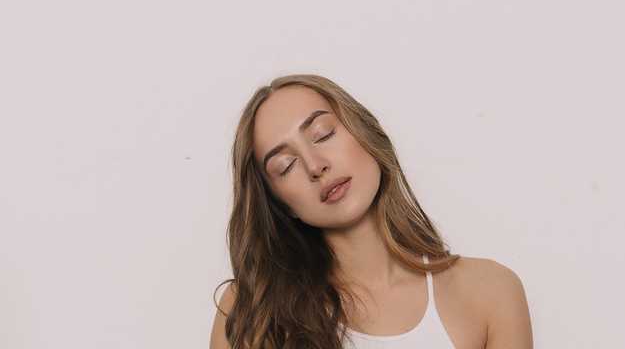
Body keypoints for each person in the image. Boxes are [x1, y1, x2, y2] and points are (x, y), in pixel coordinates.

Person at [210, 74, 533, 349]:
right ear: (281, 204)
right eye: (286, 165)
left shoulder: (490, 292)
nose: (315, 165)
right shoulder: (253, 309)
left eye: (323, 134)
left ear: (365, 132)